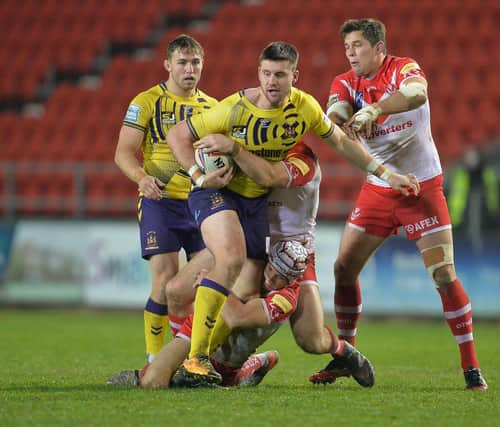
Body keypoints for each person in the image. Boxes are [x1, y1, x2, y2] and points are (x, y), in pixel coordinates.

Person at [166, 41, 418, 386]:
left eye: (280, 75)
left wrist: (387, 174)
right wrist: (200, 174)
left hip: (294, 253)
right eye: (266, 74)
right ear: (258, 75)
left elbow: (332, 147)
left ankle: (336, 352)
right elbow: (184, 135)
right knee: (192, 288)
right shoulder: (239, 113)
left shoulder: (302, 158)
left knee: (309, 338)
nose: (272, 82)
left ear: (294, 79)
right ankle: (188, 362)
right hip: (247, 224)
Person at [310, 18, 488, 391]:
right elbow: (335, 115)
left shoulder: (403, 68)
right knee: (343, 268)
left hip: (421, 188)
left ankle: (471, 367)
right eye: (347, 48)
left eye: (357, 46)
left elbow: (417, 93)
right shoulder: (345, 82)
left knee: (443, 274)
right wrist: (346, 122)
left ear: (378, 48)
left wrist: (375, 110)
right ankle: (347, 357)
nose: (351, 54)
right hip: (378, 188)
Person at [114, 34, 224, 363]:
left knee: (204, 284)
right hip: (160, 201)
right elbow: (122, 153)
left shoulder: (213, 107)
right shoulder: (146, 101)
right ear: (167, 64)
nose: (190, 69)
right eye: (183, 62)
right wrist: (142, 178)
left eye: (195, 63)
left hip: (201, 203)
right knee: (163, 279)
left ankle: (193, 356)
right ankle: (154, 361)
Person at [107, 238, 310, 388]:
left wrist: (211, 283)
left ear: (292, 279)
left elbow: (236, 316)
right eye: (271, 270)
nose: (270, 280)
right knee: (154, 380)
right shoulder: (252, 261)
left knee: (158, 382)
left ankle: (239, 372)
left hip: (221, 362)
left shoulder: (286, 300)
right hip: (199, 331)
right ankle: (162, 368)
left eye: (279, 278)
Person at [447, 145, 500, 242]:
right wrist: (454, 218)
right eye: (469, 158)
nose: (471, 161)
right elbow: (456, 196)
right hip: (460, 218)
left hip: (484, 216)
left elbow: (492, 192)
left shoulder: (486, 172)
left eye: (473, 158)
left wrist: (493, 211)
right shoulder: (461, 173)